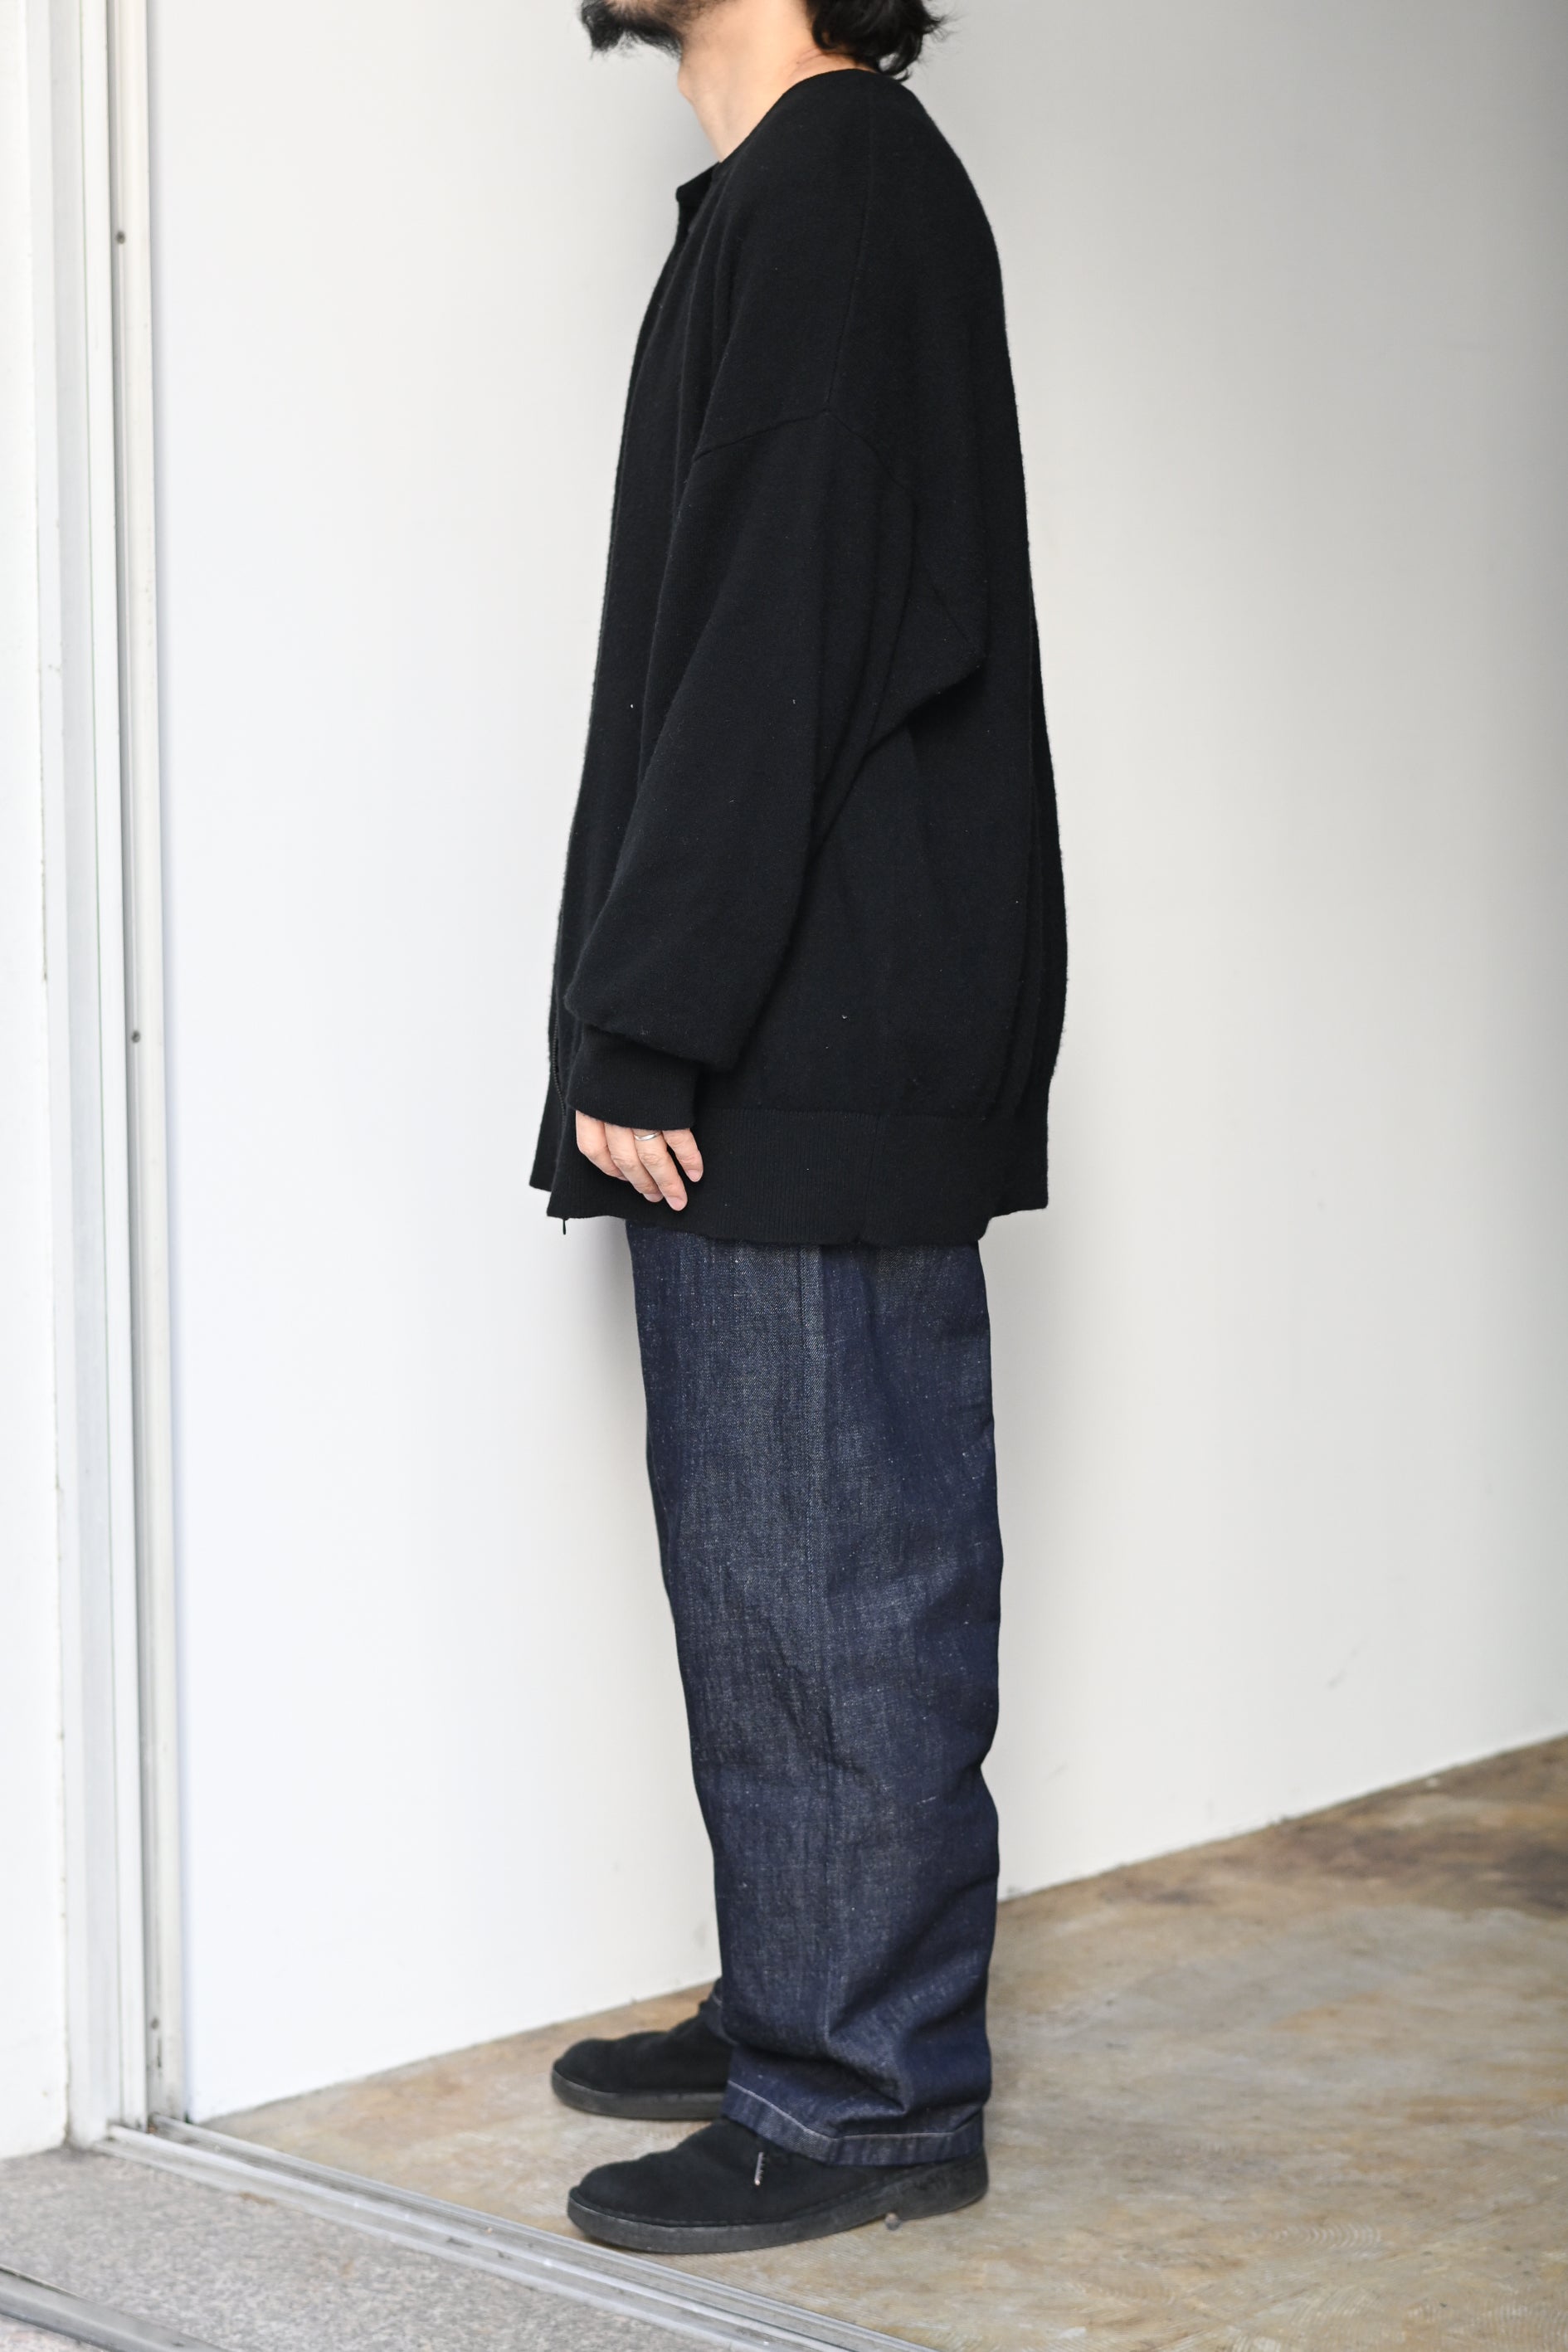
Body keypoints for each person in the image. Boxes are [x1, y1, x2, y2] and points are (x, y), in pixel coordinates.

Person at [533, 0, 1069, 2257]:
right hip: (798, 1007)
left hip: (808, 1021)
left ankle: (860, 2099)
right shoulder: (793, 194)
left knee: (835, 1573)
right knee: (775, 1564)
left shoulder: (837, 184)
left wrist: (651, 1017)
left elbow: (783, 632)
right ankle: (802, 1999)